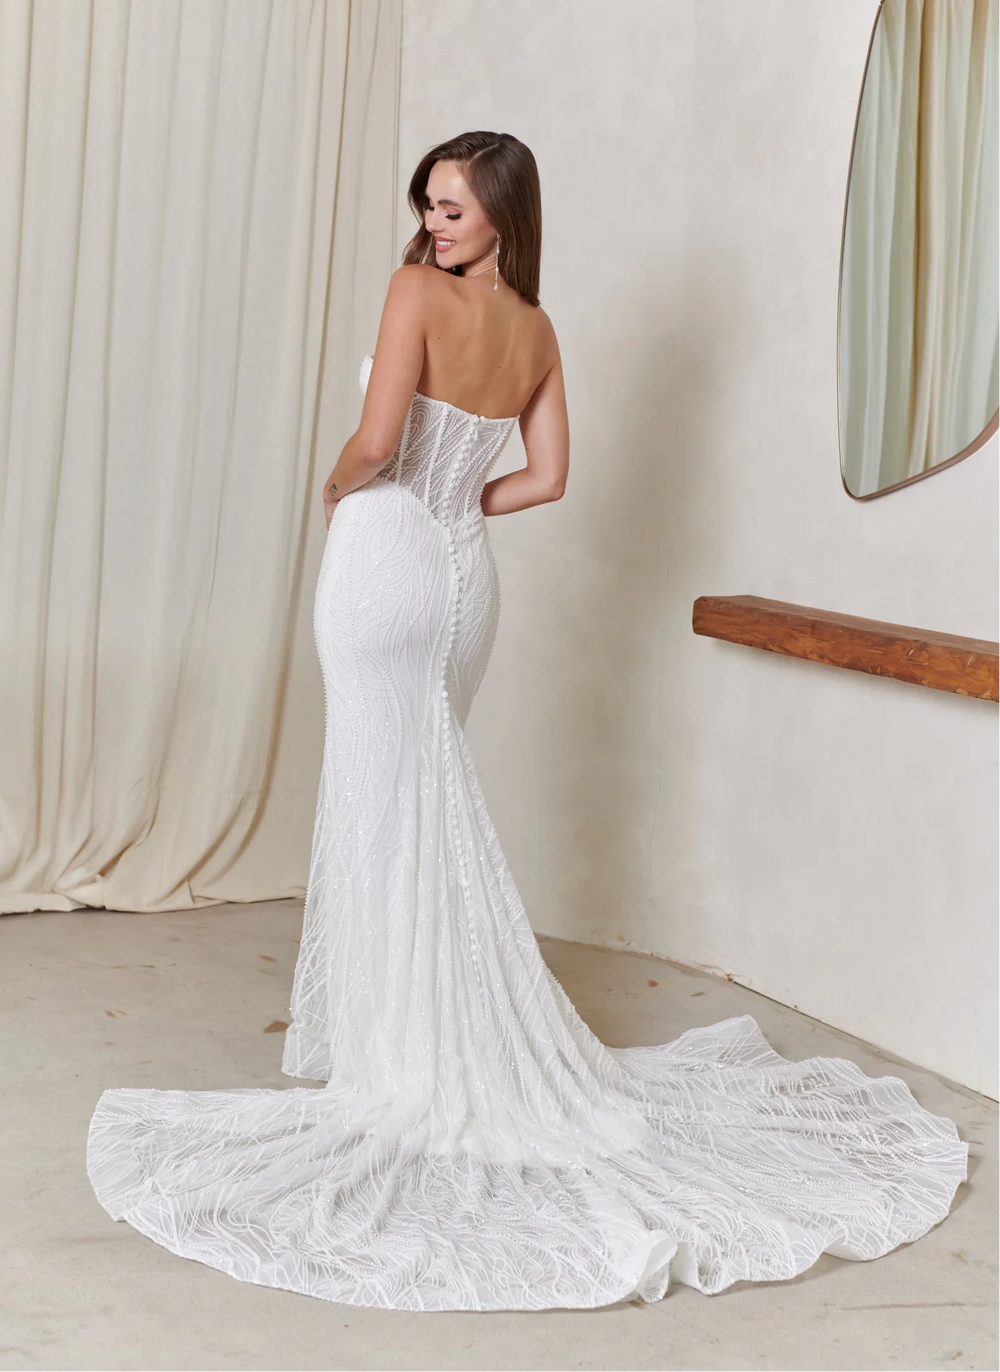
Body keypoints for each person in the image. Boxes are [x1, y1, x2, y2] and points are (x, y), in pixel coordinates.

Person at [87, 130, 967, 1313]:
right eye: (429, 207)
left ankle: (400, 1055)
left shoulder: (413, 295)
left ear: (500, 212)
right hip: (462, 580)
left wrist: (345, 483)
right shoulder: (538, 332)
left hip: (391, 559)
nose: (434, 224)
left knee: (384, 800)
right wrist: (465, 505)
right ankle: (411, 1038)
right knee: (422, 801)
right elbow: (545, 478)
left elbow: (382, 440)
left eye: (452, 207)